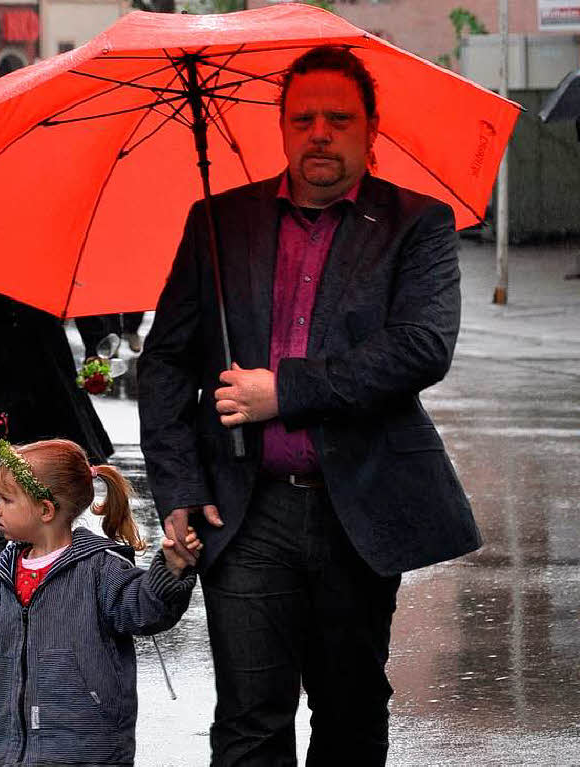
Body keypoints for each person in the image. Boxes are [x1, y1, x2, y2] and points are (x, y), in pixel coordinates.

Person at [138, 45, 482, 766]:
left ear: (370, 129)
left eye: (338, 118)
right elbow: (166, 360)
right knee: (249, 722)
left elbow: (421, 347)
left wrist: (282, 391)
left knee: (351, 714)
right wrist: (178, 486)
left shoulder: (416, 225)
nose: (319, 132)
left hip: (359, 509)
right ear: (283, 127)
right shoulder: (218, 223)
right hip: (247, 509)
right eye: (303, 119)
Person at [0, 438, 199, 766]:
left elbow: (143, 610)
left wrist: (170, 568)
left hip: (88, 748)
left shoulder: (100, 568)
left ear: (45, 510)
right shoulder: (0, 575)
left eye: (6, 500)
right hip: (13, 751)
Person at [0, 276, 114, 573]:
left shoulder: (52, 234)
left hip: (43, 371)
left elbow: (79, 279)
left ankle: (44, 565)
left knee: (45, 473)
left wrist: (96, 346)